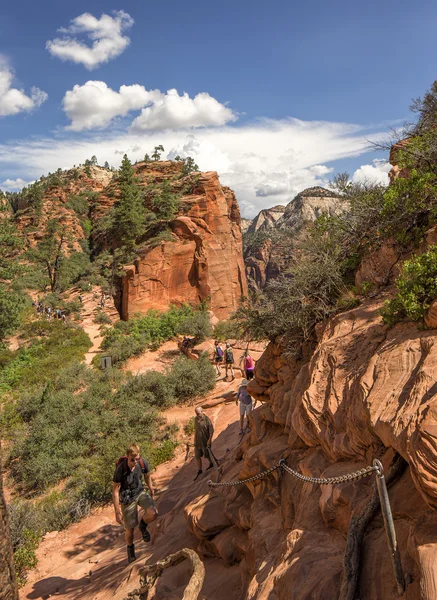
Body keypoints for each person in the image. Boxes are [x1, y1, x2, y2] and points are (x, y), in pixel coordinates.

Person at [112, 443, 158, 564]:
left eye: (137, 459)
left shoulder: (142, 463)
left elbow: (147, 475)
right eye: (133, 460)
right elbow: (115, 491)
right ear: (127, 456)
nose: (135, 462)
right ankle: (130, 549)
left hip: (140, 492)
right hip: (127, 499)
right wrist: (117, 512)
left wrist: (151, 488)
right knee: (130, 530)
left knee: (153, 513)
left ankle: (143, 526)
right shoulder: (120, 469)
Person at [193, 407, 214, 480]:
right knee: (197, 456)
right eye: (196, 413)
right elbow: (196, 430)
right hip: (197, 442)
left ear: (202, 411)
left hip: (205, 441)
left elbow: (211, 431)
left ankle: (212, 463)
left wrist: (209, 440)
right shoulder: (195, 419)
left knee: (207, 454)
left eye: (198, 413)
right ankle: (199, 470)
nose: (197, 415)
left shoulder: (207, 420)